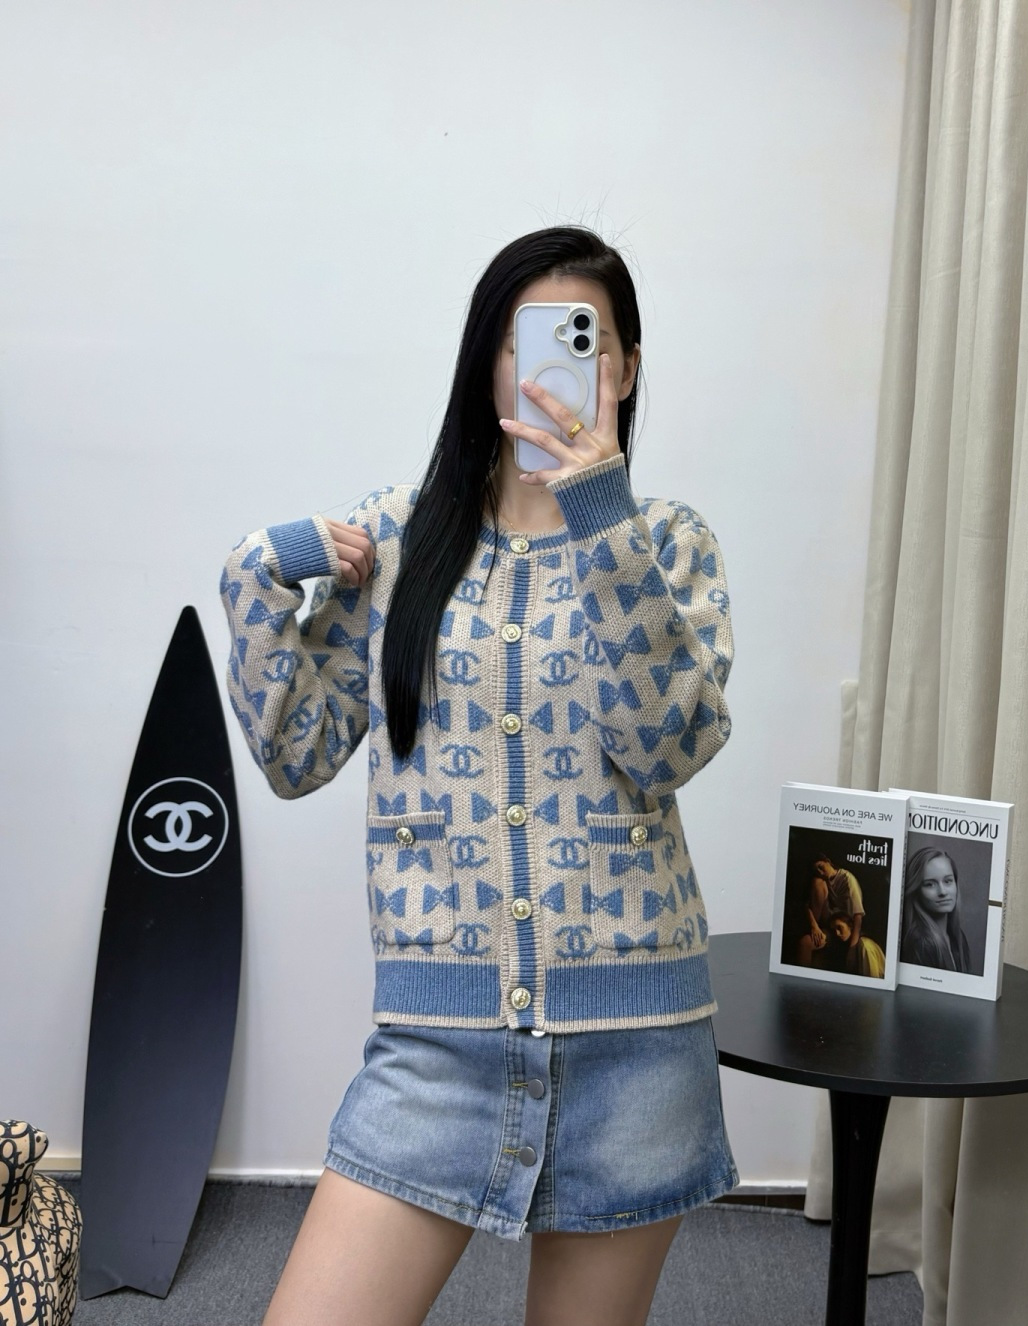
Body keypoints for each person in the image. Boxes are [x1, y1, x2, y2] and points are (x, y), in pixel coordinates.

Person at [220, 226, 738, 1326]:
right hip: (434, 1050)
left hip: (634, 1053)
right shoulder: (397, 541)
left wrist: (599, 514)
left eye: (580, 339)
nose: (543, 365)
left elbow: (669, 747)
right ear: (484, 363)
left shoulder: (668, 544)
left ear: (624, 369)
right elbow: (296, 755)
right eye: (517, 340)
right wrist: (259, 576)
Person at [901, 845, 972, 972]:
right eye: (930, 884)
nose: (943, 892)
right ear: (916, 890)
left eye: (948, 881)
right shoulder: (921, 943)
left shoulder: (958, 937)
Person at [807, 854, 865, 973]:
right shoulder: (822, 882)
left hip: (846, 929)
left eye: (821, 867)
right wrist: (814, 926)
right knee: (805, 943)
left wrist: (852, 949)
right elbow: (806, 905)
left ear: (828, 861)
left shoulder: (847, 878)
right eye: (817, 871)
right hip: (830, 926)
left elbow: (858, 917)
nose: (820, 872)